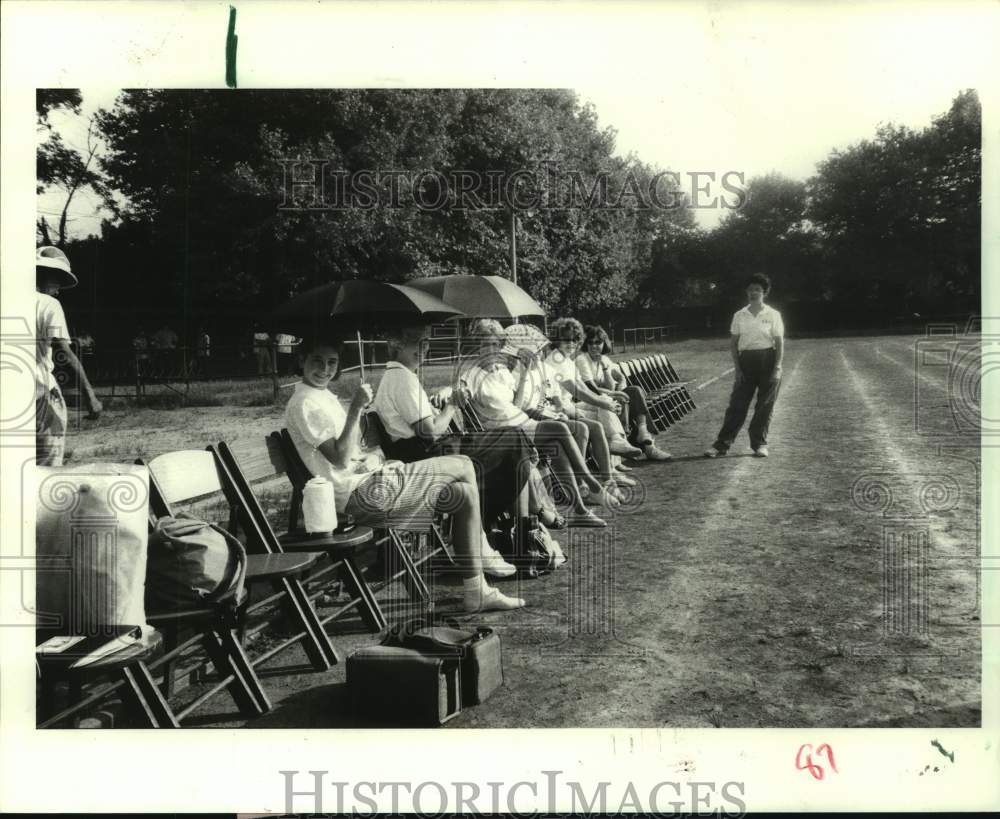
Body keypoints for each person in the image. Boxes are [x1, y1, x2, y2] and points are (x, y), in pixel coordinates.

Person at [285, 333, 524, 611]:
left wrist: (374, 460)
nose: (325, 369)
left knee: (463, 494)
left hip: (366, 484)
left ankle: (476, 592)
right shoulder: (304, 403)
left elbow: (349, 454)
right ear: (301, 360)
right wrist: (356, 409)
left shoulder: (321, 396)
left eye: (332, 362)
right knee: (464, 464)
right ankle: (481, 552)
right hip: (356, 499)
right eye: (317, 361)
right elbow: (338, 459)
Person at [371, 324, 536, 536]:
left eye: (426, 343)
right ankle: (515, 528)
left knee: (514, 441)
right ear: (397, 345)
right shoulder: (402, 379)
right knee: (514, 440)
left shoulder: (397, 376)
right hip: (427, 456)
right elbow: (429, 433)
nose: (423, 349)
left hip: (425, 451)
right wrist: (451, 405)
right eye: (416, 343)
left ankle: (513, 528)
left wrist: (436, 407)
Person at [464, 319, 616, 527]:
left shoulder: (501, 371)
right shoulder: (471, 375)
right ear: (476, 346)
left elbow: (516, 403)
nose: (490, 350)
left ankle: (580, 510)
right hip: (502, 434)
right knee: (560, 428)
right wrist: (446, 394)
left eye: (495, 345)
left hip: (520, 423)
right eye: (484, 345)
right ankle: (592, 483)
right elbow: (456, 391)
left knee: (558, 447)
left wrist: (525, 372)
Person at [543, 318, 636, 493]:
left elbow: (583, 387)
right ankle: (582, 483)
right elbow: (576, 390)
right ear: (557, 340)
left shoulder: (568, 360)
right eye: (565, 339)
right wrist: (603, 401)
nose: (570, 343)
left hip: (569, 406)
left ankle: (610, 476)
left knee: (604, 410)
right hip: (558, 409)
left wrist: (606, 399)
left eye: (573, 339)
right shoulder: (555, 358)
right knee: (594, 425)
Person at [705, 272, 785, 458]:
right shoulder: (739, 315)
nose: (753, 293)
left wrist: (777, 367)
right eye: (750, 289)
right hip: (746, 362)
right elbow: (733, 344)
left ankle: (759, 444)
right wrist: (738, 369)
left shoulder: (773, 314)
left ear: (764, 292)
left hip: (768, 360)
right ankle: (721, 445)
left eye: (757, 289)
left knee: (764, 406)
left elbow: (779, 343)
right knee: (737, 406)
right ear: (746, 292)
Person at [35, 246, 102, 465]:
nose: (58, 289)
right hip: (40, 395)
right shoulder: (48, 305)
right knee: (47, 465)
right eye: (58, 281)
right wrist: (90, 397)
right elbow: (66, 353)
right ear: (45, 275)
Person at [578, 325, 672, 461]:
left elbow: (613, 382)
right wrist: (615, 394)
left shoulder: (603, 359)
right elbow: (591, 388)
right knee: (626, 399)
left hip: (605, 395)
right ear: (586, 345)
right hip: (589, 398)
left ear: (604, 343)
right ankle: (648, 446)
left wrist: (605, 369)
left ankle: (642, 431)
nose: (594, 346)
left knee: (635, 391)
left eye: (598, 342)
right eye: (590, 343)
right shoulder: (582, 359)